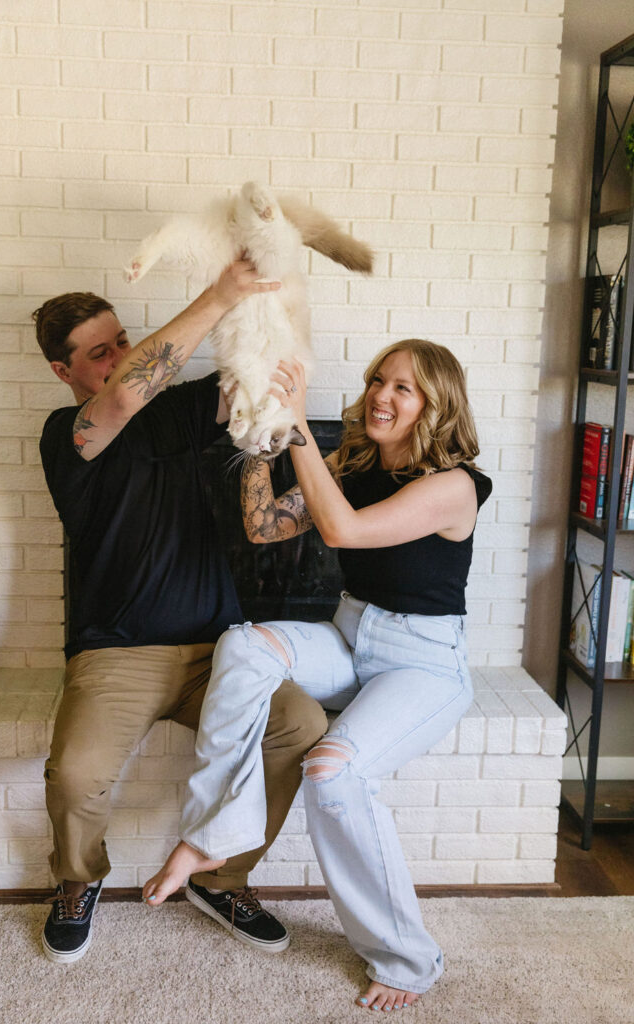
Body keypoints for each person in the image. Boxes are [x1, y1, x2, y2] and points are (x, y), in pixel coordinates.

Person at [141, 338, 492, 1011]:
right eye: (378, 380)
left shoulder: (454, 485)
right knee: (242, 646)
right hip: (350, 634)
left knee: (331, 773)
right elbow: (265, 526)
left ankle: (408, 960)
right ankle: (216, 833)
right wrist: (263, 442)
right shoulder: (355, 460)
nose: (382, 396)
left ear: (436, 406)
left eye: (404, 389)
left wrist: (298, 419)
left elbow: (343, 533)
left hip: (424, 662)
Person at [33, 260, 328, 965]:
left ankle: (224, 880)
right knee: (74, 773)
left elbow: (245, 381)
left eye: (122, 339)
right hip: (116, 655)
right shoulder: (68, 435)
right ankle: (78, 881)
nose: (122, 356)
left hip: (219, 652)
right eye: (100, 351)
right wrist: (218, 293)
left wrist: (265, 301)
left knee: (301, 725)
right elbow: (126, 395)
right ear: (61, 370)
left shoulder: (181, 408)